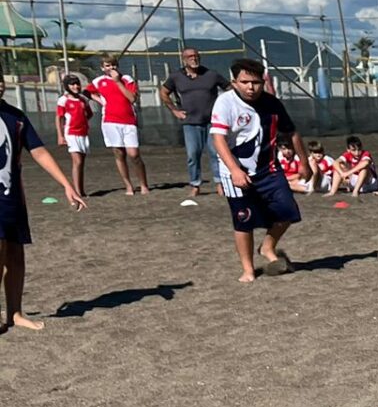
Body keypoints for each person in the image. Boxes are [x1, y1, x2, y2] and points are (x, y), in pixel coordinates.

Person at [1, 72, 87, 334]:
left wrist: (66, 184)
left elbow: (37, 150)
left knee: (15, 254)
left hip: (13, 195)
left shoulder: (16, 116)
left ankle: (15, 312)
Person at [210, 58, 305, 283]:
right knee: (244, 220)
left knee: (288, 211)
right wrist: (234, 170)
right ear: (234, 82)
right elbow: (218, 139)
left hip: (269, 169)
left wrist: (304, 162)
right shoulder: (225, 103)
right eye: (245, 82)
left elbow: (291, 132)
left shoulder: (272, 103)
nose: (251, 87)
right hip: (234, 170)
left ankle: (268, 246)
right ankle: (248, 269)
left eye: (256, 82)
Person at [160, 47, 230, 203]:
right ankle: (195, 184)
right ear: (184, 59)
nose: (194, 59)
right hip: (190, 122)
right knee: (193, 155)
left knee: (216, 153)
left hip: (213, 122)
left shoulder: (211, 74)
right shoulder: (176, 77)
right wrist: (174, 110)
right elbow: (163, 92)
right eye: (190, 56)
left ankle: (220, 183)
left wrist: (226, 108)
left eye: (196, 56)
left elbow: (229, 89)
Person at [88, 56, 149, 195]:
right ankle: (128, 185)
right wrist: (102, 102)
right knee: (119, 153)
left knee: (134, 154)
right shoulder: (98, 81)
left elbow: (132, 98)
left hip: (128, 121)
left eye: (113, 65)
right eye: (108, 66)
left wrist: (117, 82)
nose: (111, 68)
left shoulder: (127, 79)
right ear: (103, 68)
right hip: (110, 121)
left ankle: (143, 184)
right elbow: (87, 92)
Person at [54, 74, 90, 198]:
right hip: (71, 133)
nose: (76, 86)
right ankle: (77, 192)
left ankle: (81, 189)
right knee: (77, 162)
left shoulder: (83, 99)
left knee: (82, 162)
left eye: (77, 83)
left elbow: (89, 114)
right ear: (67, 86)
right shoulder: (63, 100)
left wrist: (83, 120)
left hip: (83, 134)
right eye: (72, 84)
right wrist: (60, 135)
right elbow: (59, 118)